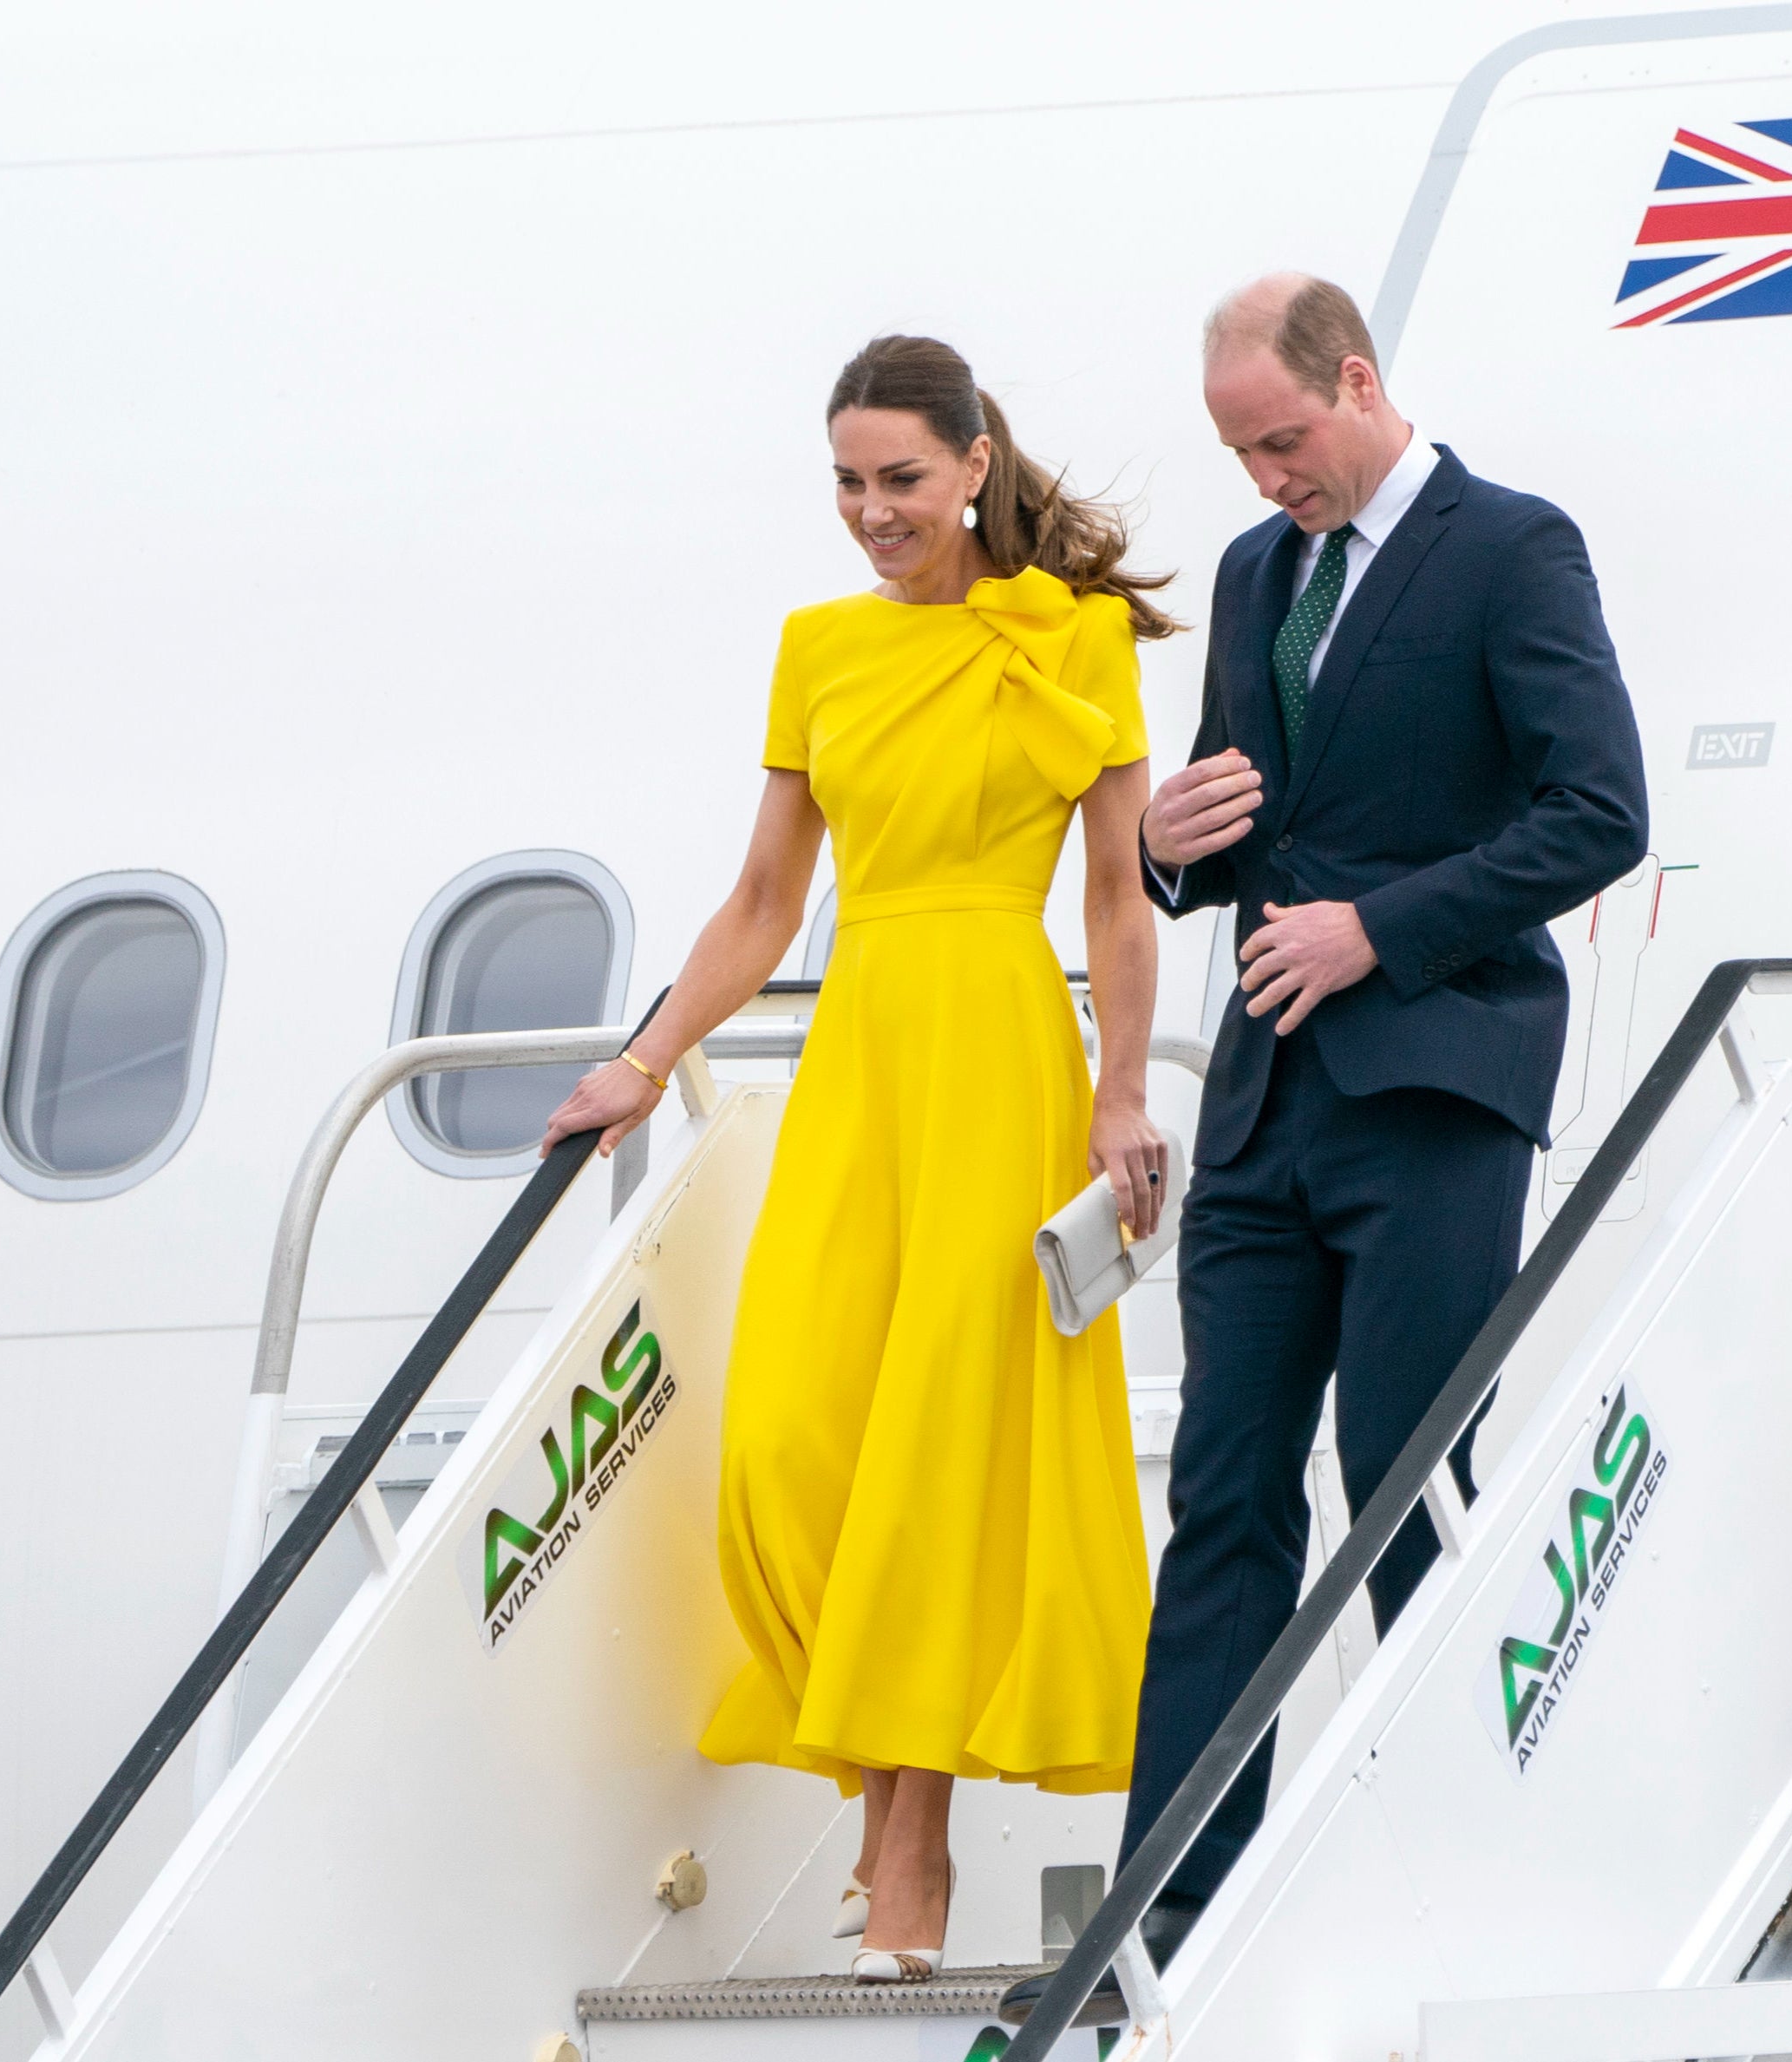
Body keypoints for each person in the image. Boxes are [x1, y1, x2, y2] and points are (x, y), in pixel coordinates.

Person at [1002, 274, 1647, 2028]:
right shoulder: (1250, 575)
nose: (1264, 476)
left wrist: (1382, 930)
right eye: (1238, 451)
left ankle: (1447, 1892)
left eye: (1281, 440)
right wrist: (1178, 845)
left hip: (1432, 1086)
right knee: (1219, 1503)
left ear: (1358, 383)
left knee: (1405, 1491)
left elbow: (1598, 809)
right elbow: (1225, 831)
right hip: (1270, 1108)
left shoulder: (1509, 548)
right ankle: (1164, 1933)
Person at [542, 333, 1175, 1984]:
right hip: (866, 1054)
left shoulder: (1074, 639)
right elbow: (764, 903)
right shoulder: (817, 648)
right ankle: (903, 1834)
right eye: (846, 481)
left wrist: (1120, 1097)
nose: (871, 510)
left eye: (901, 478)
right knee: (796, 1436)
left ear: (976, 465)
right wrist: (643, 1056)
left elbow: (1115, 897)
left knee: (940, 1458)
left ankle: (908, 1868)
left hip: (1002, 1051)